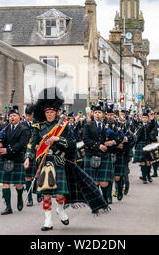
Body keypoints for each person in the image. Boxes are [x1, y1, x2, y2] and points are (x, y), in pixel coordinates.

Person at [24, 88, 109, 231]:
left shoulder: (63, 127)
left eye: (52, 112)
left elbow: (72, 144)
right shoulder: (38, 127)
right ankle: (48, 221)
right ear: (43, 113)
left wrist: (58, 139)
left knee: (59, 194)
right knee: (45, 194)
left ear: (56, 112)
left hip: (59, 161)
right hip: (45, 162)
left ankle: (61, 209)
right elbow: (32, 143)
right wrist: (27, 158)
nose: (49, 114)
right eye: (47, 112)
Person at [0, 106, 28, 215]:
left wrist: (8, 150)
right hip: (5, 159)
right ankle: (8, 207)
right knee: (5, 183)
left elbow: (22, 144)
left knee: (19, 184)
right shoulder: (5, 128)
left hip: (17, 159)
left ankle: (19, 197)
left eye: (14, 115)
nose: (12, 118)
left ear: (19, 117)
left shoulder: (24, 129)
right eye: (10, 116)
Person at [133, 111, 156, 184]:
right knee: (142, 161)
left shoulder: (149, 124)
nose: (145, 119)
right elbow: (134, 123)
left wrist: (152, 118)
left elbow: (153, 125)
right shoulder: (139, 125)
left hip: (148, 144)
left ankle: (148, 175)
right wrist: (135, 117)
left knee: (148, 161)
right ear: (141, 118)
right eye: (143, 117)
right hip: (140, 144)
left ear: (147, 118)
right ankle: (144, 177)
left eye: (146, 117)